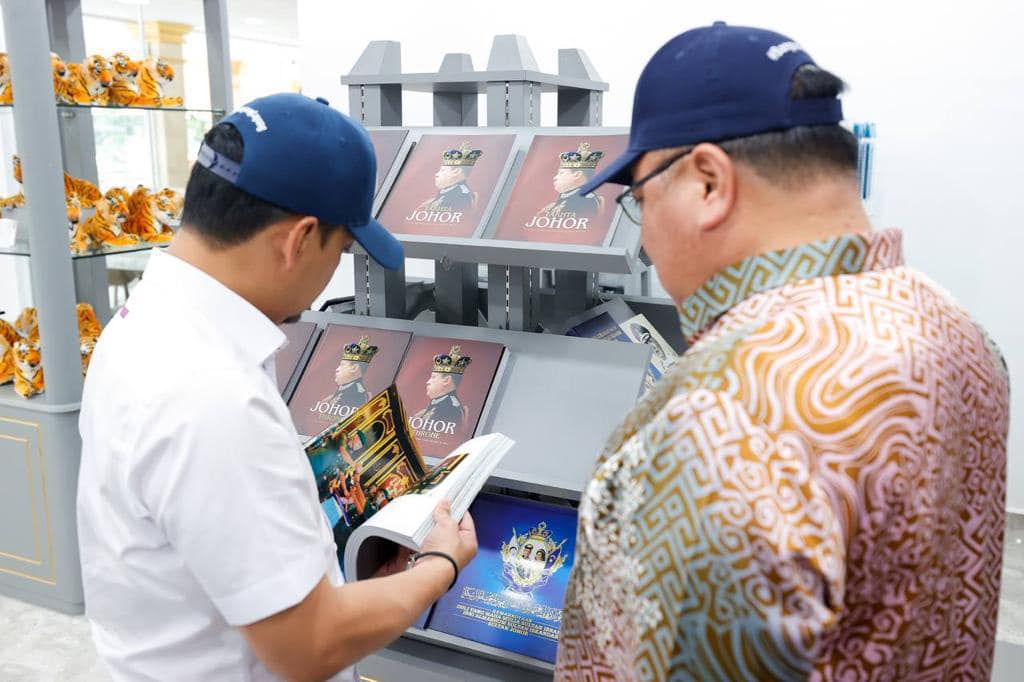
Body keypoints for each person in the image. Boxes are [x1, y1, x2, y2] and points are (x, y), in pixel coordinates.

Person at [555, 23, 1010, 681]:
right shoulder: (960, 332)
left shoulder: (724, 417)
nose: (646, 237)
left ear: (709, 182)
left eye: (641, 199)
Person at [76, 93, 477, 682]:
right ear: (299, 240)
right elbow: (308, 645)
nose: (332, 273)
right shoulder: (214, 396)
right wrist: (439, 565)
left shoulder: (145, 324)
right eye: (342, 250)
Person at [536, 141, 605, 218]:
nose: (555, 177)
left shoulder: (586, 200)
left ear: (577, 175)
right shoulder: (566, 196)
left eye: (561, 173)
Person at [413, 345, 471, 428]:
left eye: (433, 377)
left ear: (446, 380)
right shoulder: (438, 404)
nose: (428, 382)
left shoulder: (451, 409)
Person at [416, 141, 482, 211]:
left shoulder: (461, 196)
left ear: (456, 172)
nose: (436, 174)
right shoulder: (447, 190)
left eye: (442, 170)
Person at [321, 335, 378, 409]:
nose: (337, 369)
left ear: (354, 368)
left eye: (342, 365)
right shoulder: (344, 390)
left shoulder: (357, 395)